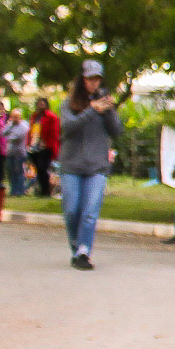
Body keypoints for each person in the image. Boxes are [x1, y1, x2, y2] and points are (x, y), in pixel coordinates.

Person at [59, 61, 121, 270]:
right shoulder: (68, 104)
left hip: (97, 166)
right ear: (82, 79)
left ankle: (84, 251)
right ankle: (76, 247)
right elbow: (68, 128)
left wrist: (109, 110)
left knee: (89, 211)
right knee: (71, 210)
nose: (94, 83)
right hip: (71, 166)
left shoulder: (103, 105)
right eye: (90, 78)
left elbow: (117, 131)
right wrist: (91, 110)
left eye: (97, 79)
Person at [27, 97, 60, 198]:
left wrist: (47, 143)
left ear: (46, 105)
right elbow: (31, 130)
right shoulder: (35, 116)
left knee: (43, 168)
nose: (41, 106)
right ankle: (42, 190)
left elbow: (54, 133)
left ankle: (46, 190)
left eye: (43, 104)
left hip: (46, 147)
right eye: (39, 104)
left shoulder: (51, 117)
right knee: (38, 168)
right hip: (34, 146)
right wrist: (29, 143)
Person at [3, 109, 31, 197]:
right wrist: (10, 128)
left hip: (20, 153)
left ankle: (20, 190)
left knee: (19, 171)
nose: (15, 119)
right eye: (13, 117)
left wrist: (9, 136)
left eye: (16, 117)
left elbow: (17, 137)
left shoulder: (24, 126)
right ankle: (13, 190)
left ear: (20, 117)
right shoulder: (10, 125)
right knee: (11, 172)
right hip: (10, 152)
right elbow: (2, 133)